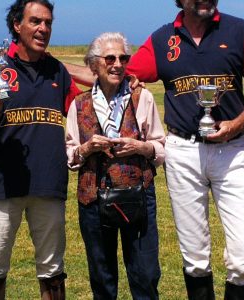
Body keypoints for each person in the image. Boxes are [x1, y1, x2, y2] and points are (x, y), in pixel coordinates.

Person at [68, 1, 244, 298]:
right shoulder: (163, 39)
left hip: (231, 149)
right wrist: (47, 63)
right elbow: (113, 72)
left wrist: (237, 124)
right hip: (183, 150)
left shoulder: (239, 30)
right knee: (195, 256)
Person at [0, 0, 82, 299]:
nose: (43, 29)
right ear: (17, 26)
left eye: (48, 22)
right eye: (35, 22)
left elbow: (81, 112)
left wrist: (120, 82)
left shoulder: (57, 71)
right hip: (4, 186)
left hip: (50, 183)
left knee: (52, 271)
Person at [65, 32, 166, 299]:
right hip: (93, 201)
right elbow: (70, 155)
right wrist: (87, 148)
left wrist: (140, 147)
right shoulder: (79, 104)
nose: (118, 64)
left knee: (144, 276)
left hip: (138, 197)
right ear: (93, 64)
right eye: (110, 58)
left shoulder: (141, 98)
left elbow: (161, 147)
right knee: (102, 278)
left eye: (123, 58)